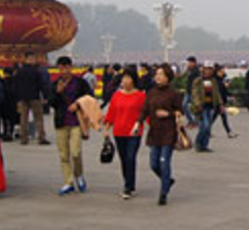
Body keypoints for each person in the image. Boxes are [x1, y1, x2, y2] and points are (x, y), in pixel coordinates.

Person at [136, 64, 184, 205]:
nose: (158, 76)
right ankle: (167, 180)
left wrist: (168, 113)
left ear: (168, 77)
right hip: (154, 132)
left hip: (168, 132)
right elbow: (145, 110)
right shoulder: (151, 92)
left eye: (161, 74)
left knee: (164, 162)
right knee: (153, 164)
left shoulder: (173, 94)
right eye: (157, 74)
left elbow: (180, 112)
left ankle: (163, 193)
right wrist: (138, 123)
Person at [49, 57, 92, 196]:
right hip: (61, 122)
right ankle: (68, 182)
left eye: (66, 67)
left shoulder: (80, 83)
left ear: (71, 67)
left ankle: (79, 175)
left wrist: (78, 104)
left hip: (76, 122)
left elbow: (90, 98)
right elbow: (51, 103)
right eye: (61, 68)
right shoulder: (55, 84)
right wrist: (57, 92)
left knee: (75, 152)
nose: (64, 71)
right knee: (63, 154)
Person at [102, 68, 145, 199]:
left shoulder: (141, 96)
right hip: (119, 131)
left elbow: (145, 113)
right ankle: (129, 183)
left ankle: (128, 186)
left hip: (134, 132)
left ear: (133, 80)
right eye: (123, 78)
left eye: (128, 78)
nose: (125, 81)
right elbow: (111, 113)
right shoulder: (116, 96)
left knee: (130, 157)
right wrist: (106, 129)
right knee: (123, 159)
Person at [14, 52, 49, 145]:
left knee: (23, 118)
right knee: (38, 118)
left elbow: (16, 85)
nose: (33, 60)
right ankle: (41, 138)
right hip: (34, 97)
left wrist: (17, 98)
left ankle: (23, 138)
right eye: (32, 58)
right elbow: (41, 84)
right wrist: (45, 96)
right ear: (29, 59)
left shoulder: (19, 71)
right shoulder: (36, 71)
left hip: (22, 98)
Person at [184, 59, 210, 153]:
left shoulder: (212, 81)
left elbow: (216, 94)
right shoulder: (198, 80)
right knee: (205, 125)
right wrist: (198, 104)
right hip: (201, 106)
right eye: (206, 69)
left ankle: (204, 145)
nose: (208, 71)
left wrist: (220, 104)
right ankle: (198, 142)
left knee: (207, 126)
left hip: (210, 106)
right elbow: (195, 93)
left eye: (209, 69)